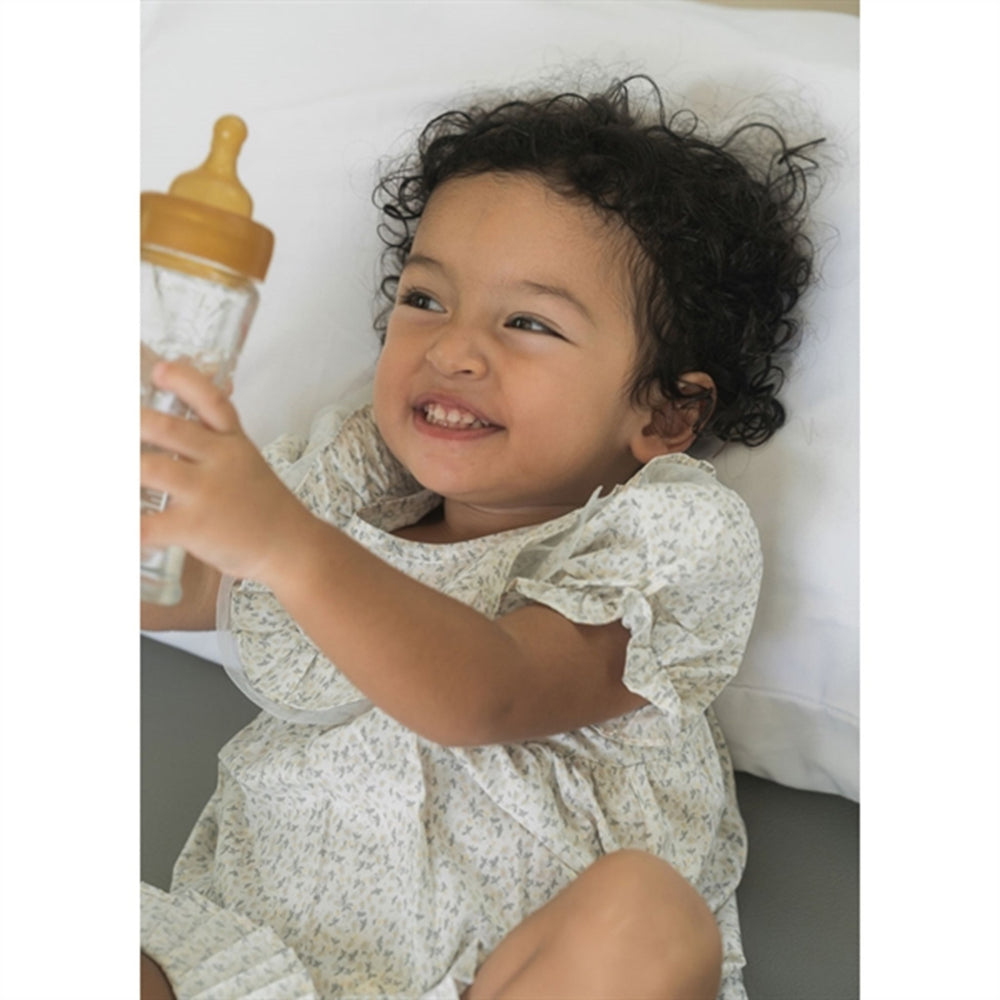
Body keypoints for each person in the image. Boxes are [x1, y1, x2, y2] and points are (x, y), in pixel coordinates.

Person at [140, 75, 821, 1000]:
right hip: (258, 967)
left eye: (529, 322)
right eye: (426, 299)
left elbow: (486, 695)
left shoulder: (669, 536)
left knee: (648, 919)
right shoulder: (351, 490)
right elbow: (173, 579)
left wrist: (284, 542)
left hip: (507, 976)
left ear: (666, 413)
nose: (452, 349)